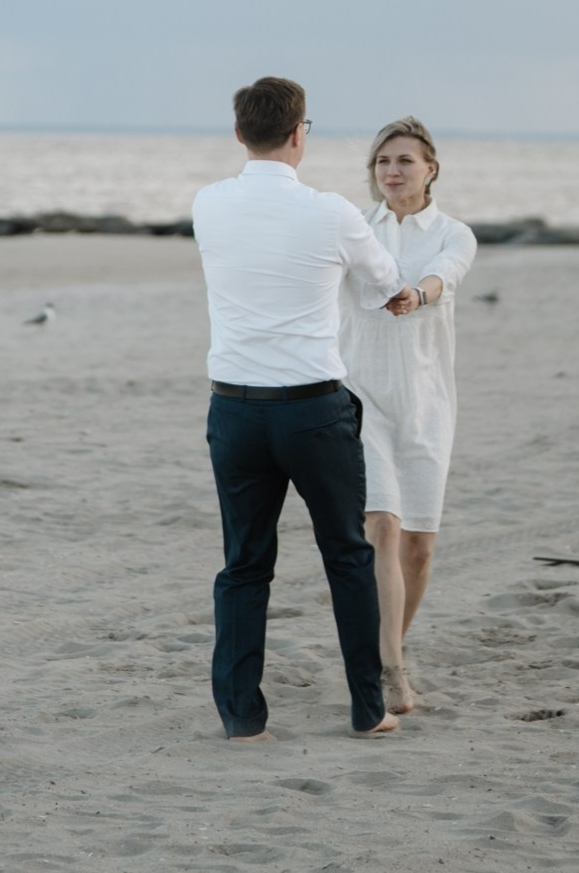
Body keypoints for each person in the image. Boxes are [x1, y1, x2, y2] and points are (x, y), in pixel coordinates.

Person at [191, 75, 408, 742]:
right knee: (346, 555)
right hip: (312, 411)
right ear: (298, 134)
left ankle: (242, 717)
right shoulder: (332, 212)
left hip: (234, 409)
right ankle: (367, 709)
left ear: (239, 133)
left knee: (244, 564)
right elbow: (387, 283)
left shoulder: (208, 203)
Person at [338, 117, 477, 713]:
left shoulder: (453, 233)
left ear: (430, 169)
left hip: (427, 403)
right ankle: (391, 669)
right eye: (382, 161)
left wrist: (417, 294)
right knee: (383, 528)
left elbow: (445, 276)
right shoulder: (352, 227)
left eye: (404, 161)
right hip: (360, 395)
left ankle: (385, 649)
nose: (391, 171)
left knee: (418, 547)